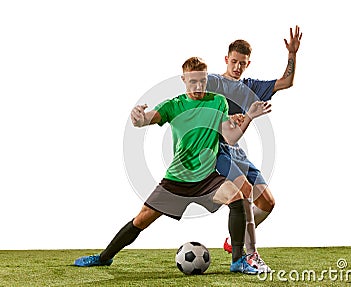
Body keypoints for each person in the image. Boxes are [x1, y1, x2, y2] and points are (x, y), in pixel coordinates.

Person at [74, 57, 272, 275]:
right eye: (193, 82)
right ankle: (103, 258)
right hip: (178, 179)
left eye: (202, 81)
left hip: (207, 177)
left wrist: (250, 117)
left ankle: (237, 261)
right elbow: (145, 120)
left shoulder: (218, 102)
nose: (198, 87)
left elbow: (230, 137)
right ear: (183, 79)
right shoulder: (174, 105)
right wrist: (137, 117)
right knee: (141, 220)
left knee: (237, 196)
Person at [207, 25, 303, 272]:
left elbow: (286, 82)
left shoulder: (250, 86)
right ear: (227, 59)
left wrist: (292, 54)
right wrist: (227, 118)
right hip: (216, 149)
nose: (237, 67)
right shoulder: (214, 83)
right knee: (246, 192)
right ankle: (250, 255)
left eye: (243, 63)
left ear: (248, 64)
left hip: (237, 151)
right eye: (234, 62)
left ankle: (234, 240)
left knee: (268, 203)